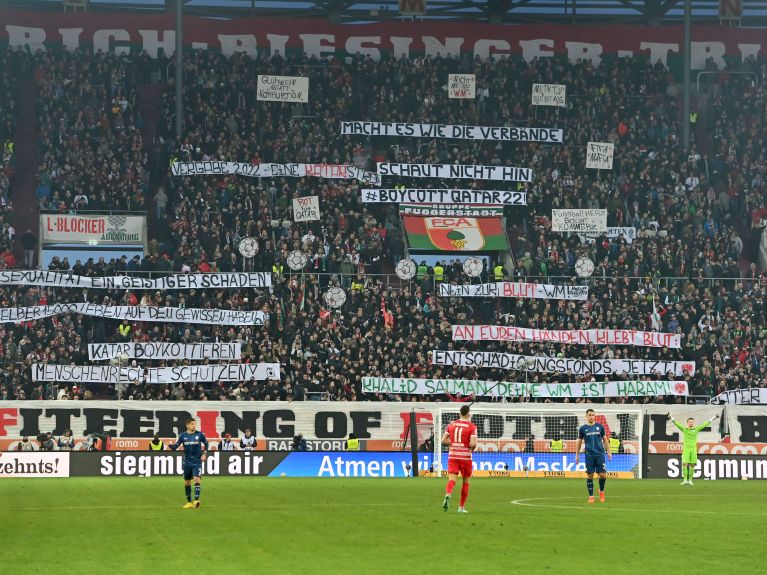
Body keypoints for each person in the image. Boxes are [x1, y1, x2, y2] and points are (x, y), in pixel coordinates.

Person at [441, 404, 477, 513]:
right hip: (465, 457)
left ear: (459, 413)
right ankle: (461, 507)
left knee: (452, 480)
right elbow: (473, 444)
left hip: (452, 455)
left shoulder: (451, 425)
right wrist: (471, 448)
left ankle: (448, 494)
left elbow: (443, 441)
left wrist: (453, 443)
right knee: (466, 481)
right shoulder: (471, 426)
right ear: (468, 414)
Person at [668, 412, 720, 486]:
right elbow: (677, 424)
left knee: (692, 465)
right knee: (684, 464)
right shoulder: (684, 429)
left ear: (693, 423)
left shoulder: (696, 429)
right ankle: (685, 480)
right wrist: (671, 418)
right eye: (690, 422)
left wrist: (714, 417)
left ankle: (690, 480)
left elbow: (706, 423)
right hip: (686, 449)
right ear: (687, 423)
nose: (691, 423)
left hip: (693, 449)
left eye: (692, 422)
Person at [169, 418, 209, 509]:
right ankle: (189, 503)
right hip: (187, 463)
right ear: (187, 425)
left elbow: (206, 443)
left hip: (197, 462)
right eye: (192, 424)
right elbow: (176, 446)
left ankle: (196, 500)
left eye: (194, 424)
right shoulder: (183, 435)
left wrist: (205, 454)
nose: (194, 425)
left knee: (196, 479)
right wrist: (169, 445)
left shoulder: (200, 435)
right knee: (187, 482)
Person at [575, 408, 612, 504]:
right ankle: (591, 496)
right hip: (589, 455)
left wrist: (609, 452)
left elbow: (605, 440)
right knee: (590, 475)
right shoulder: (583, 429)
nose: (591, 416)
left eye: (593, 415)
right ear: (586, 416)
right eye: (590, 415)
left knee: (603, 475)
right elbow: (579, 442)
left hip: (600, 454)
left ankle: (601, 491)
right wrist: (577, 454)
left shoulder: (600, 427)